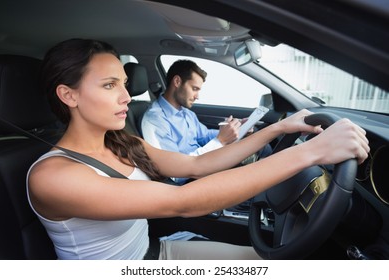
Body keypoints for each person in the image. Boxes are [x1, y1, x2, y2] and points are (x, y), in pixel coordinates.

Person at [26, 38, 369, 260]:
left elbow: (196, 166)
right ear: (68, 95)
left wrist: (279, 129)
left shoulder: (122, 142)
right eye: (109, 85)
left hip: (155, 253)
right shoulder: (53, 176)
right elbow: (184, 203)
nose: (127, 97)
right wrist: (309, 153)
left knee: (258, 260)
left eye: (124, 84)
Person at [141, 59, 270, 184]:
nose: (197, 96)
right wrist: (220, 141)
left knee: (262, 148)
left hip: (205, 164)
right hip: (191, 179)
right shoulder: (155, 120)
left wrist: (235, 130)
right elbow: (175, 173)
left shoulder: (186, 113)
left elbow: (204, 135)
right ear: (177, 81)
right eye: (194, 89)